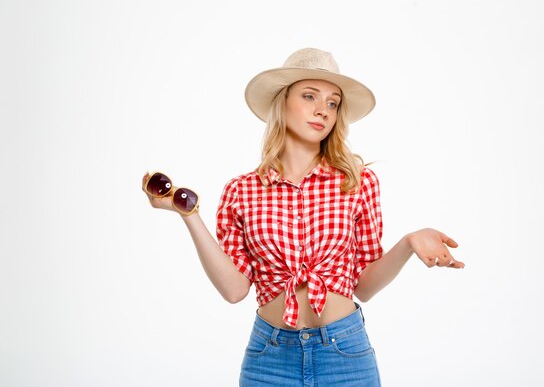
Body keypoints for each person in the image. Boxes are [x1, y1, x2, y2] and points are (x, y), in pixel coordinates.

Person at [142, 48, 465, 386]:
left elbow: (364, 286)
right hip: (269, 359)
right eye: (309, 96)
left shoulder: (356, 182)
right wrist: (189, 215)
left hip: (345, 354)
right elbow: (235, 289)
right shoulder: (242, 191)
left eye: (332, 103)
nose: (322, 111)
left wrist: (409, 243)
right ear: (282, 102)